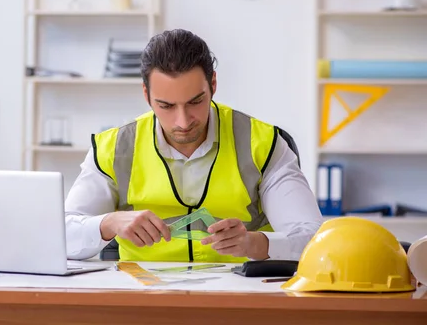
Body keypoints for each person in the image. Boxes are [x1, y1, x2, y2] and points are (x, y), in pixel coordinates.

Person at [64, 29, 323, 263]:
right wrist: (108, 223)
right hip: (143, 298)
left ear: (213, 85)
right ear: (146, 95)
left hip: (240, 296)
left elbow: (313, 238)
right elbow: (61, 234)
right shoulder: (113, 148)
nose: (183, 121)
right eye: (166, 106)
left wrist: (255, 244)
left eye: (195, 102)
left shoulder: (264, 144)